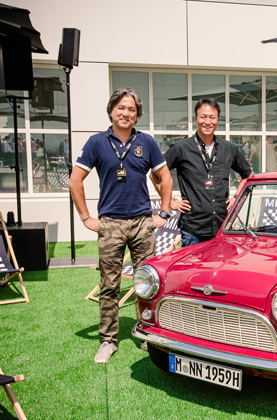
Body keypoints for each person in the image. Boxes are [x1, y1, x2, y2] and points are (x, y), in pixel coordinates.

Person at [69, 88, 173, 364]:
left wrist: (163, 212)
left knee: (147, 283)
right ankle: (108, 340)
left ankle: (146, 332)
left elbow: (165, 177)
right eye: (121, 108)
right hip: (110, 223)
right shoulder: (96, 143)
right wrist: (85, 217)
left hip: (142, 223)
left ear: (137, 114)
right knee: (109, 284)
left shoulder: (147, 142)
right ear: (111, 110)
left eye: (131, 109)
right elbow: (74, 180)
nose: (126, 113)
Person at [154, 98, 252, 247]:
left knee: (221, 269)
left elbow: (248, 175)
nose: (208, 122)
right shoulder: (181, 148)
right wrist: (170, 203)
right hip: (193, 229)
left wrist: (236, 197)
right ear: (196, 119)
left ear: (218, 120)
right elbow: (154, 174)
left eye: (212, 117)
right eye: (203, 117)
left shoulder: (228, 148)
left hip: (222, 227)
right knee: (192, 271)